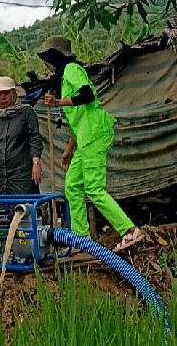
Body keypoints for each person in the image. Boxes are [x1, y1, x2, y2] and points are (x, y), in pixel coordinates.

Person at [38, 36, 144, 252]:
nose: (46, 64)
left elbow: (87, 96)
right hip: (85, 139)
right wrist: (68, 150)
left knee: (94, 188)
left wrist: (57, 102)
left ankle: (130, 231)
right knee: (72, 186)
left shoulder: (71, 69)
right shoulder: (65, 78)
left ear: (55, 58)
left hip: (95, 135)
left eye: (47, 59)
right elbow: (79, 120)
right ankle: (81, 241)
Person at [0, 76, 44, 195]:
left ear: (13, 94)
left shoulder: (25, 112)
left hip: (21, 172)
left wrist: (36, 163)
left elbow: (34, 139)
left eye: (6, 93)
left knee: (24, 208)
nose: (2, 97)